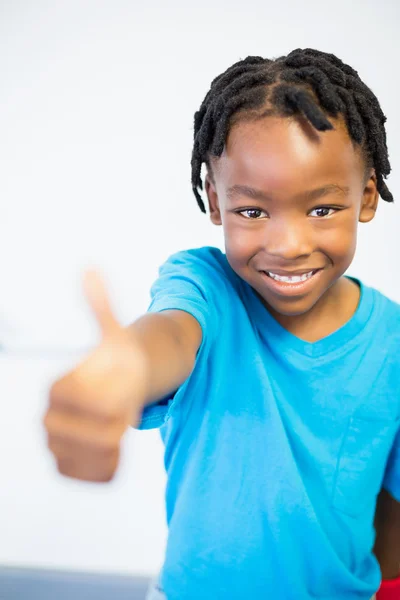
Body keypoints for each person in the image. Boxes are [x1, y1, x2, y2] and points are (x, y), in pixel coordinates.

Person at [43, 48, 400, 600]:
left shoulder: (393, 343)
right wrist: (128, 370)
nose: (287, 246)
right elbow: (170, 335)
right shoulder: (205, 286)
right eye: (253, 212)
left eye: (322, 209)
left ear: (368, 196)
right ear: (215, 201)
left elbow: (390, 524)